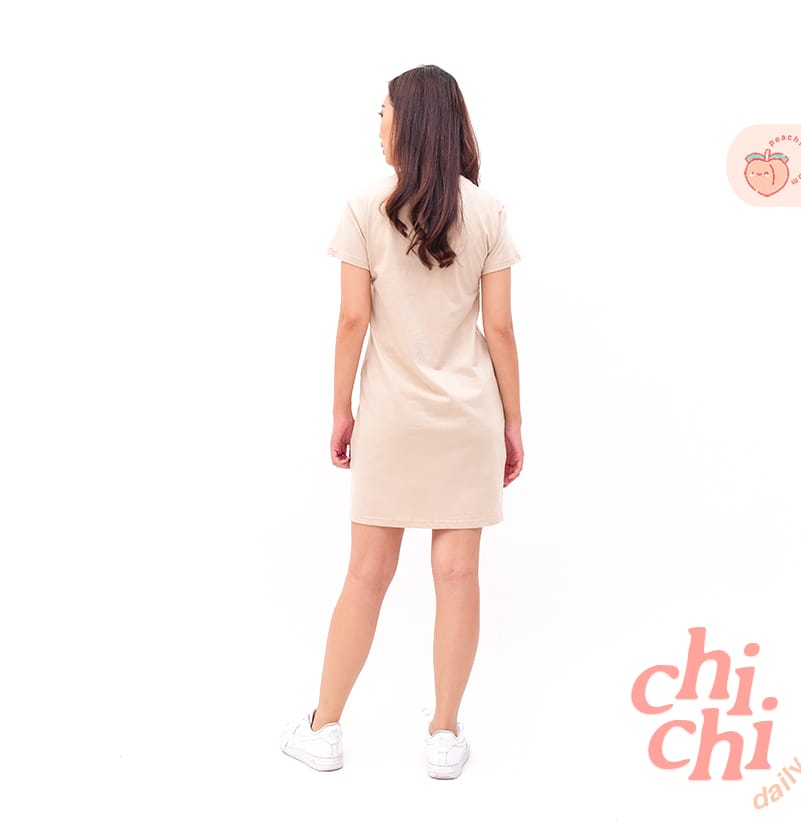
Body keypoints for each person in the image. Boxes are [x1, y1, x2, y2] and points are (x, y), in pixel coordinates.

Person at [280, 64, 524, 780]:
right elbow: (500, 330)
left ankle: (323, 727)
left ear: (409, 123)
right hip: (466, 419)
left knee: (365, 575)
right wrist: (512, 422)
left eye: (383, 111)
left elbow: (352, 319)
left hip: (389, 420)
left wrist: (340, 410)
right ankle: (444, 735)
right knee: (458, 575)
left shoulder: (364, 207)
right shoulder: (487, 211)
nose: (378, 124)